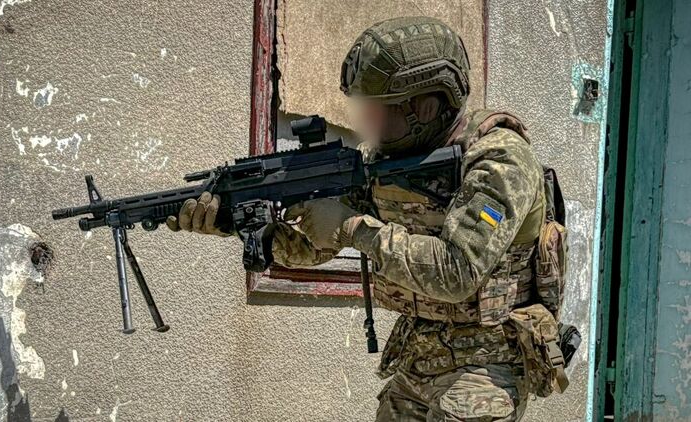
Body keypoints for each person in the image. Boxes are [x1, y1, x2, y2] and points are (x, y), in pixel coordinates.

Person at [168, 16, 568, 422]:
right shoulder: (385, 159)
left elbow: (457, 271)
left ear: (425, 106)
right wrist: (242, 225)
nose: (365, 123)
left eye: (377, 110)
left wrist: (354, 228)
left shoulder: (499, 159)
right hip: (420, 357)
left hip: (487, 365)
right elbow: (317, 246)